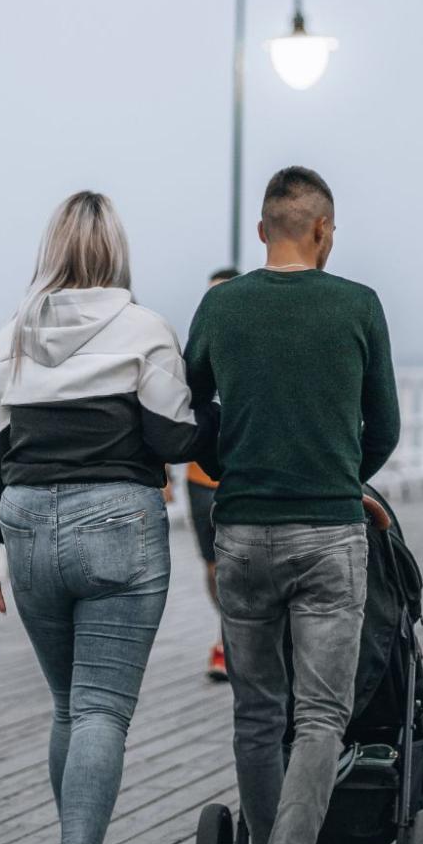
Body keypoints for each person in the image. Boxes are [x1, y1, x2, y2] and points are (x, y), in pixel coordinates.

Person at [0, 191, 210, 844]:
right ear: (115, 251)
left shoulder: (12, 336)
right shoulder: (143, 327)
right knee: (101, 707)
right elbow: (175, 437)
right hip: (116, 525)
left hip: (26, 523)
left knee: (70, 707)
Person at [184, 165, 400, 844]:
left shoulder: (220, 305)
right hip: (328, 532)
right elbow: (384, 424)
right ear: (322, 230)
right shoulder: (357, 305)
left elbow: (187, 410)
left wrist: (233, 456)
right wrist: (342, 474)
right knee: (319, 715)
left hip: (240, 530)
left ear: (261, 230)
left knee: (255, 712)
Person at [186, 266, 239, 681]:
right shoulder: (199, 346)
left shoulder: (255, 344)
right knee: (212, 565)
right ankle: (227, 633)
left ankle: (233, 641)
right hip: (200, 478)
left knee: (240, 561)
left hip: (242, 475)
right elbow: (176, 407)